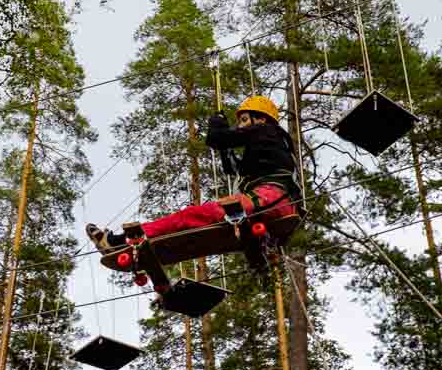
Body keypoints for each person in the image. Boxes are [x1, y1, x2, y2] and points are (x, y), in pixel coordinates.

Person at [86, 95, 299, 254]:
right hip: (275, 204)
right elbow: (233, 168)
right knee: (199, 219)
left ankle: (119, 242)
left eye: (244, 119)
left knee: (189, 216)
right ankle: (129, 240)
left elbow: (217, 138)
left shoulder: (266, 130)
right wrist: (225, 149)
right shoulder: (273, 146)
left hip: (267, 200)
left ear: (260, 119)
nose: (241, 126)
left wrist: (217, 122)